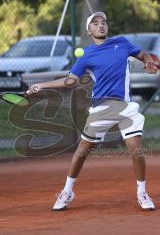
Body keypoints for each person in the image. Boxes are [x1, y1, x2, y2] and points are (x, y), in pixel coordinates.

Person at [27, 12, 158, 211]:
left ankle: (141, 192)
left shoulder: (122, 43)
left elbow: (142, 55)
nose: (101, 25)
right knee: (82, 151)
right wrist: (42, 85)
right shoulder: (87, 54)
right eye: (95, 23)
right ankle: (67, 191)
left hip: (125, 106)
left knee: (135, 148)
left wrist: (148, 63)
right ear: (89, 31)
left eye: (103, 22)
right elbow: (71, 80)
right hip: (101, 108)